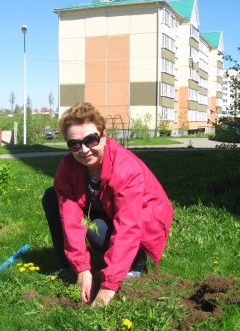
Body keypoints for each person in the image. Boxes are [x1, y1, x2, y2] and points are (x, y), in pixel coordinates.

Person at [42, 102, 173, 306]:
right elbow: (69, 219)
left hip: (143, 217)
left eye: (91, 140)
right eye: (74, 144)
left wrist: (108, 286)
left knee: (97, 233)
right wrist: (82, 268)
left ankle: (135, 262)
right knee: (51, 197)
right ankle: (68, 266)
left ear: (104, 136)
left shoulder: (125, 168)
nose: (84, 149)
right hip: (105, 208)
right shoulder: (68, 168)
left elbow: (128, 226)